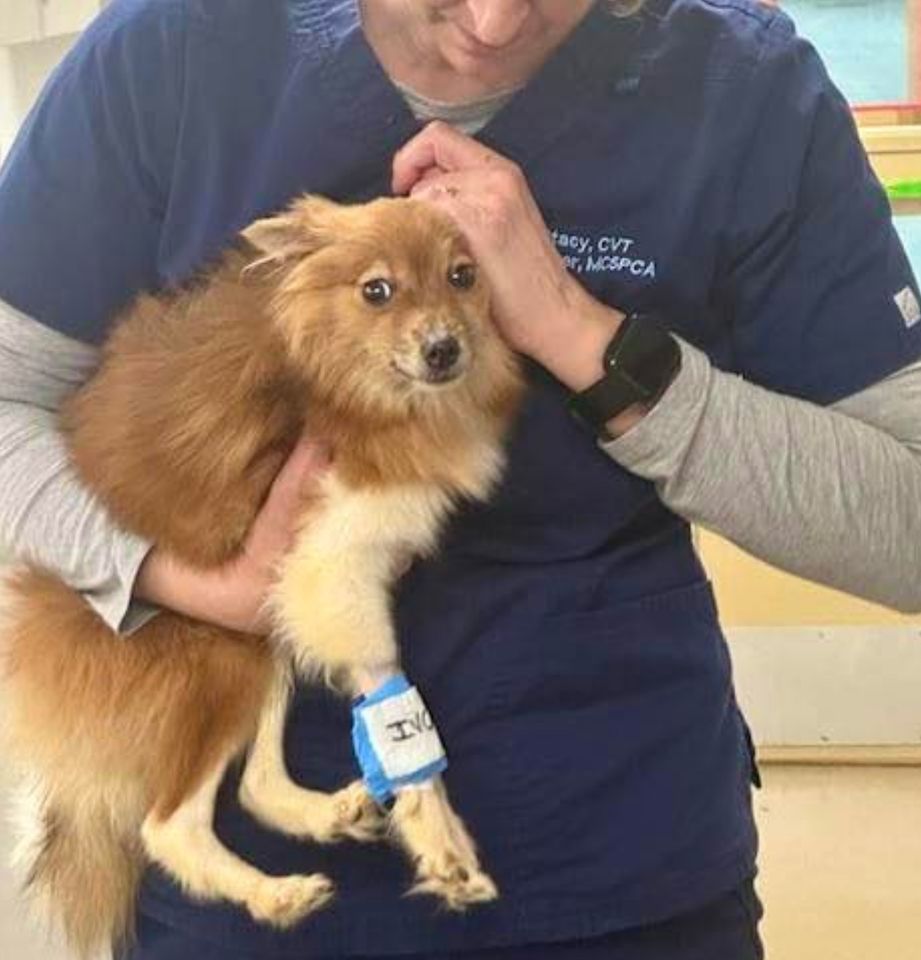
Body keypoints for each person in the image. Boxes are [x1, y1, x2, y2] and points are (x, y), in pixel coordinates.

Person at [1, 0, 920, 957]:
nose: (491, 23)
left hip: (621, 872)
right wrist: (187, 583)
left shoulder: (742, 92)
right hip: (262, 894)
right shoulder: (174, 53)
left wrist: (578, 333)